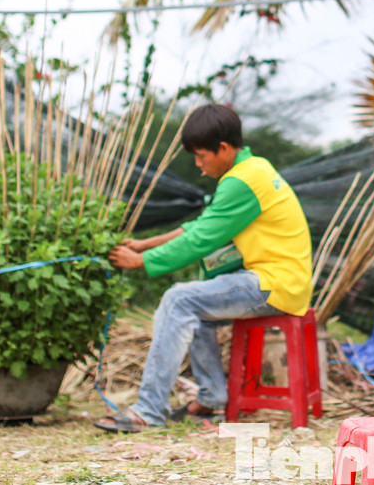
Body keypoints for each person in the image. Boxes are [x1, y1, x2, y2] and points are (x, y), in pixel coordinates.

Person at [96, 103, 313, 432]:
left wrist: (141, 261)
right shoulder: (253, 168)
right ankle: (212, 398)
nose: (198, 165)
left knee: (178, 299)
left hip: (274, 283)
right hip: (281, 280)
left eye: (201, 156)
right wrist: (145, 244)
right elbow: (201, 225)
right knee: (190, 305)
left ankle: (150, 410)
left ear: (223, 149)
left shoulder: (242, 180)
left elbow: (199, 241)